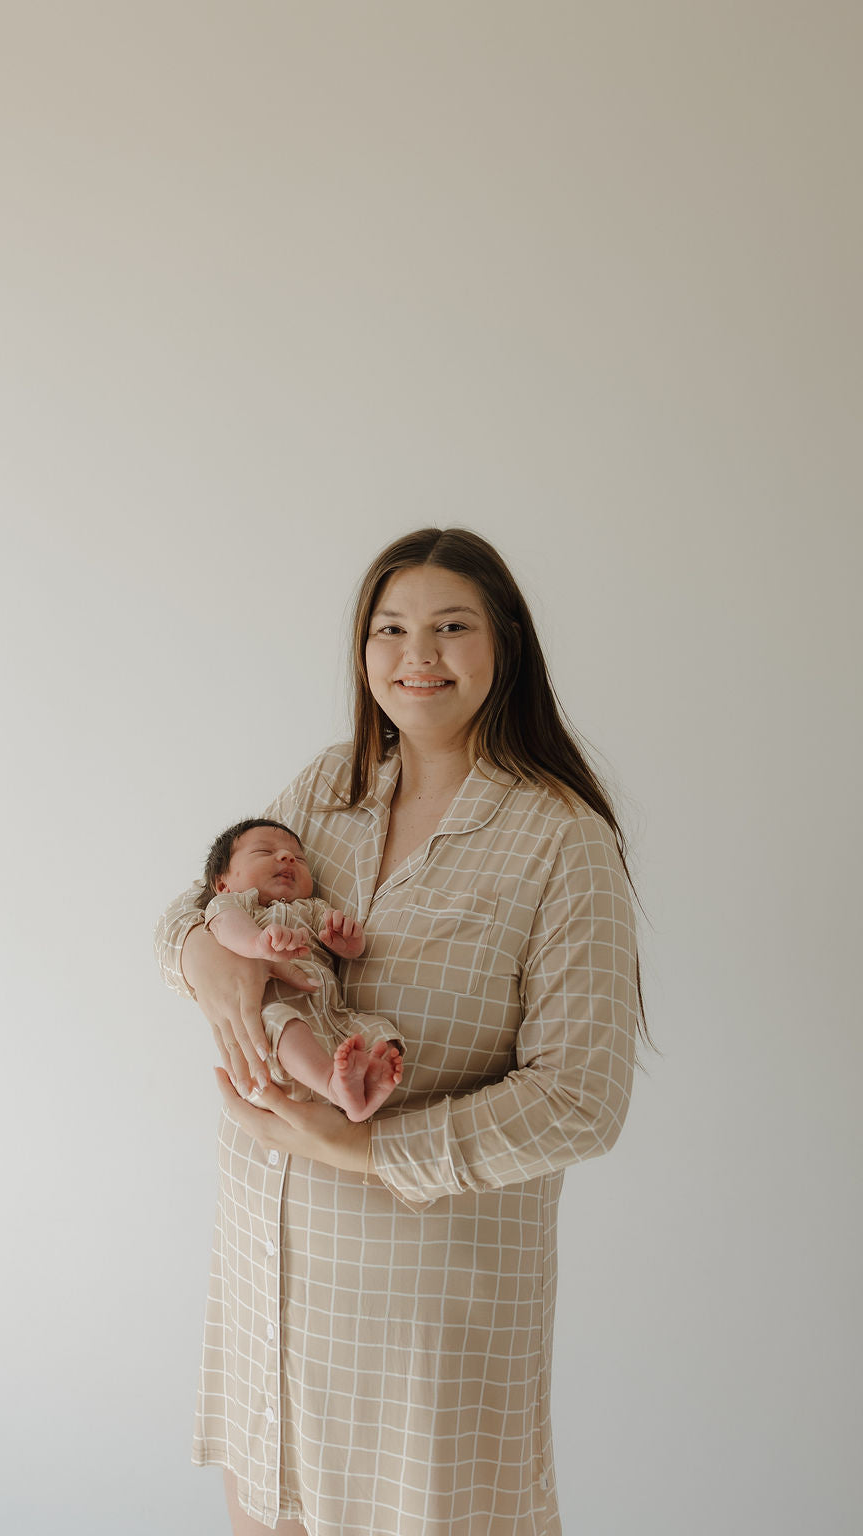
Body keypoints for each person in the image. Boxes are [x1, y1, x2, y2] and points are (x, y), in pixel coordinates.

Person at [155, 527, 646, 1536]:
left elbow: (581, 1100)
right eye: (390, 629)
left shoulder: (561, 840)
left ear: (504, 642)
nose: (416, 656)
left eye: (449, 627)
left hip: (423, 1318)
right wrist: (202, 959)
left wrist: (364, 1145)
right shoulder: (327, 789)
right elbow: (203, 902)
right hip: (271, 1275)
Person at [198, 816, 404, 1121]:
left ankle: (364, 1086)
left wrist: (349, 943)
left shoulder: (314, 908)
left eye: (299, 858)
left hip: (332, 1015)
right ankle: (331, 1084)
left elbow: (342, 941)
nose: (287, 857)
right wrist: (256, 943)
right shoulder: (234, 905)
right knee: (283, 1023)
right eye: (264, 852)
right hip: (275, 1018)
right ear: (223, 884)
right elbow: (225, 926)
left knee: (380, 1032)